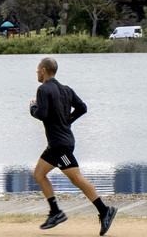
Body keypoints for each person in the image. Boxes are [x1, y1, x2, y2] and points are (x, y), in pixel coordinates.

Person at [30, 56, 116, 235]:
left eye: (38, 69)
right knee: (39, 174)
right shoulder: (66, 90)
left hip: (59, 146)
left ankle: (104, 210)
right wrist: (68, 120)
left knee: (77, 178)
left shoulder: (43, 89)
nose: (37, 72)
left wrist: (33, 108)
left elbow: (43, 113)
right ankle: (56, 212)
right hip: (60, 143)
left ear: (44, 70)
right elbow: (82, 108)